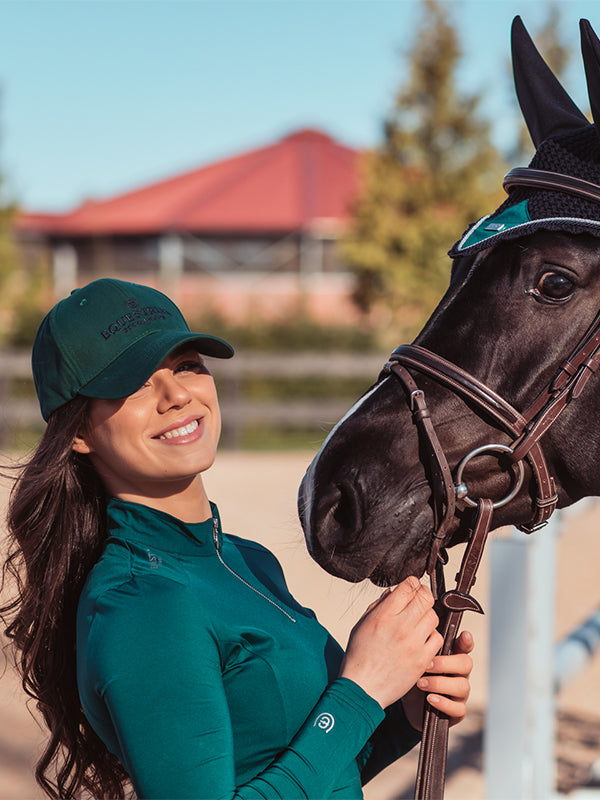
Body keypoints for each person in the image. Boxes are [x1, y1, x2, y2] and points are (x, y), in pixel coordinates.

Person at [1, 278, 473, 800]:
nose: (177, 394)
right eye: (133, 383)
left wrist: (400, 713)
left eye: (186, 365)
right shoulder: (140, 604)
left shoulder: (247, 560)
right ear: (79, 433)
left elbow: (314, 777)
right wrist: (362, 691)